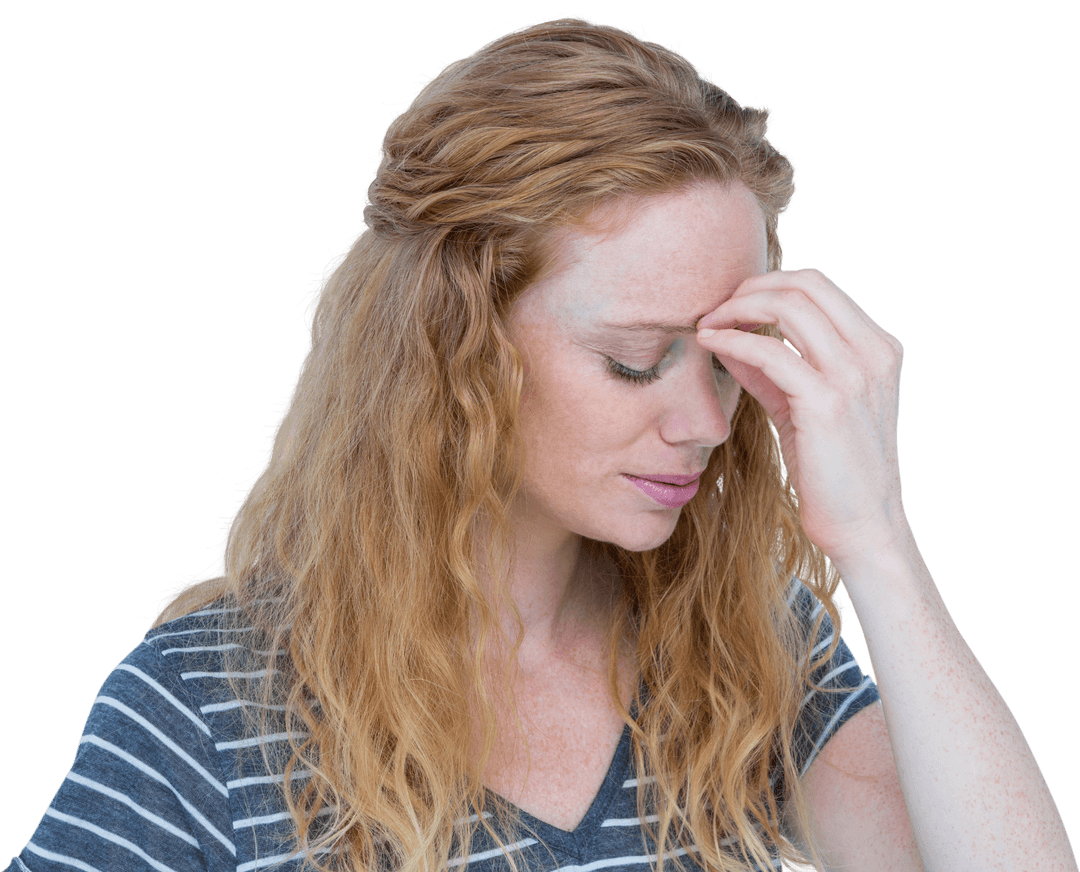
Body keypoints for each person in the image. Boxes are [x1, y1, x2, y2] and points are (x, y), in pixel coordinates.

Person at [6, 15, 1074, 872]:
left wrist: (877, 542)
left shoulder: (752, 647)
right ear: (455, 349)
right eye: (634, 359)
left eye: (724, 361)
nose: (707, 424)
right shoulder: (206, 709)